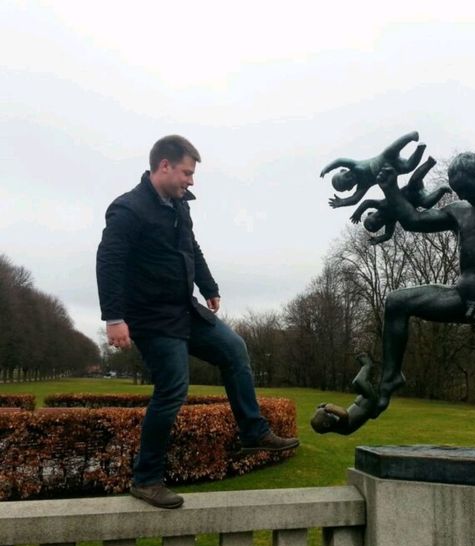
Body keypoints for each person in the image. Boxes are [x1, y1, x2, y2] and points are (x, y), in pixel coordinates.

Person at [313, 121, 475, 458]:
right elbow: (413, 220)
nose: (461, 196)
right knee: (397, 301)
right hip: (462, 294)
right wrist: (391, 189)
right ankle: (391, 377)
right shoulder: (460, 212)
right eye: (456, 190)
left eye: (464, 189)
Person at [96, 135, 299, 509]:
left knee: (234, 349)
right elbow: (108, 261)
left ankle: (253, 431)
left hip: (184, 308)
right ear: (164, 166)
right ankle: (146, 480)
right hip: (152, 318)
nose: (191, 181)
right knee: (173, 388)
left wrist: (208, 286)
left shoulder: (178, 206)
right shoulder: (128, 209)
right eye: (187, 173)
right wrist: (114, 318)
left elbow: (191, 246)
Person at [349, 156, 451, 245]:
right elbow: (388, 235)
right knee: (426, 204)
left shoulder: (381, 205)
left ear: (371, 213)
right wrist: (378, 239)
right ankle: (442, 189)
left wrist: (357, 213)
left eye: (376, 217)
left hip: (410, 191)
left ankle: (429, 163)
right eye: (379, 223)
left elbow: (367, 202)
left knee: (415, 180)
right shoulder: (390, 221)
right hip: (418, 200)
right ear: (381, 225)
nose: (380, 219)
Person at [320, 131, 426, 209]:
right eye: (349, 182)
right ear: (350, 188)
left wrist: (327, 168)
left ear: (343, 170)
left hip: (383, 159)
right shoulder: (363, 185)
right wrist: (342, 202)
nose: (350, 178)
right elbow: (355, 199)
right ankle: (420, 149)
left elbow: (340, 160)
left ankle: (410, 136)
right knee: (408, 167)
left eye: (347, 176)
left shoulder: (355, 166)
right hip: (391, 170)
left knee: (393, 149)